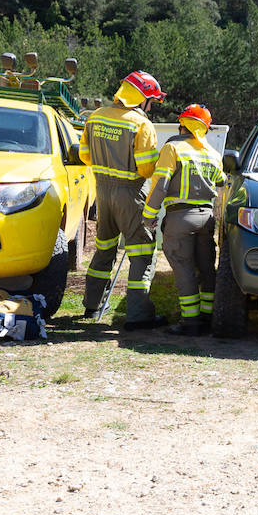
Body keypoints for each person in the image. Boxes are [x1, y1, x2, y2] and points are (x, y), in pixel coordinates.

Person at [80, 70, 166, 330]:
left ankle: (92, 304)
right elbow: (146, 169)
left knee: (104, 248)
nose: (151, 107)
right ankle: (138, 315)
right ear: (142, 99)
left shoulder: (95, 117)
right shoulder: (141, 124)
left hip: (102, 193)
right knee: (141, 252)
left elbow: (85, 155)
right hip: (131, 192)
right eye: (152, 101)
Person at [141, 104, 225, 336]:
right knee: (207, 269)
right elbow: (221, 180)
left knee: (184, 269)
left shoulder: (172, 148)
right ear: (205, 129)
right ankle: (207, 317)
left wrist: (148, 216)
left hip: (180, 218)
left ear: (182, 124)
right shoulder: (212, 153)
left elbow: (160, 186)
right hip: (206, 218)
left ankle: (190, 322)